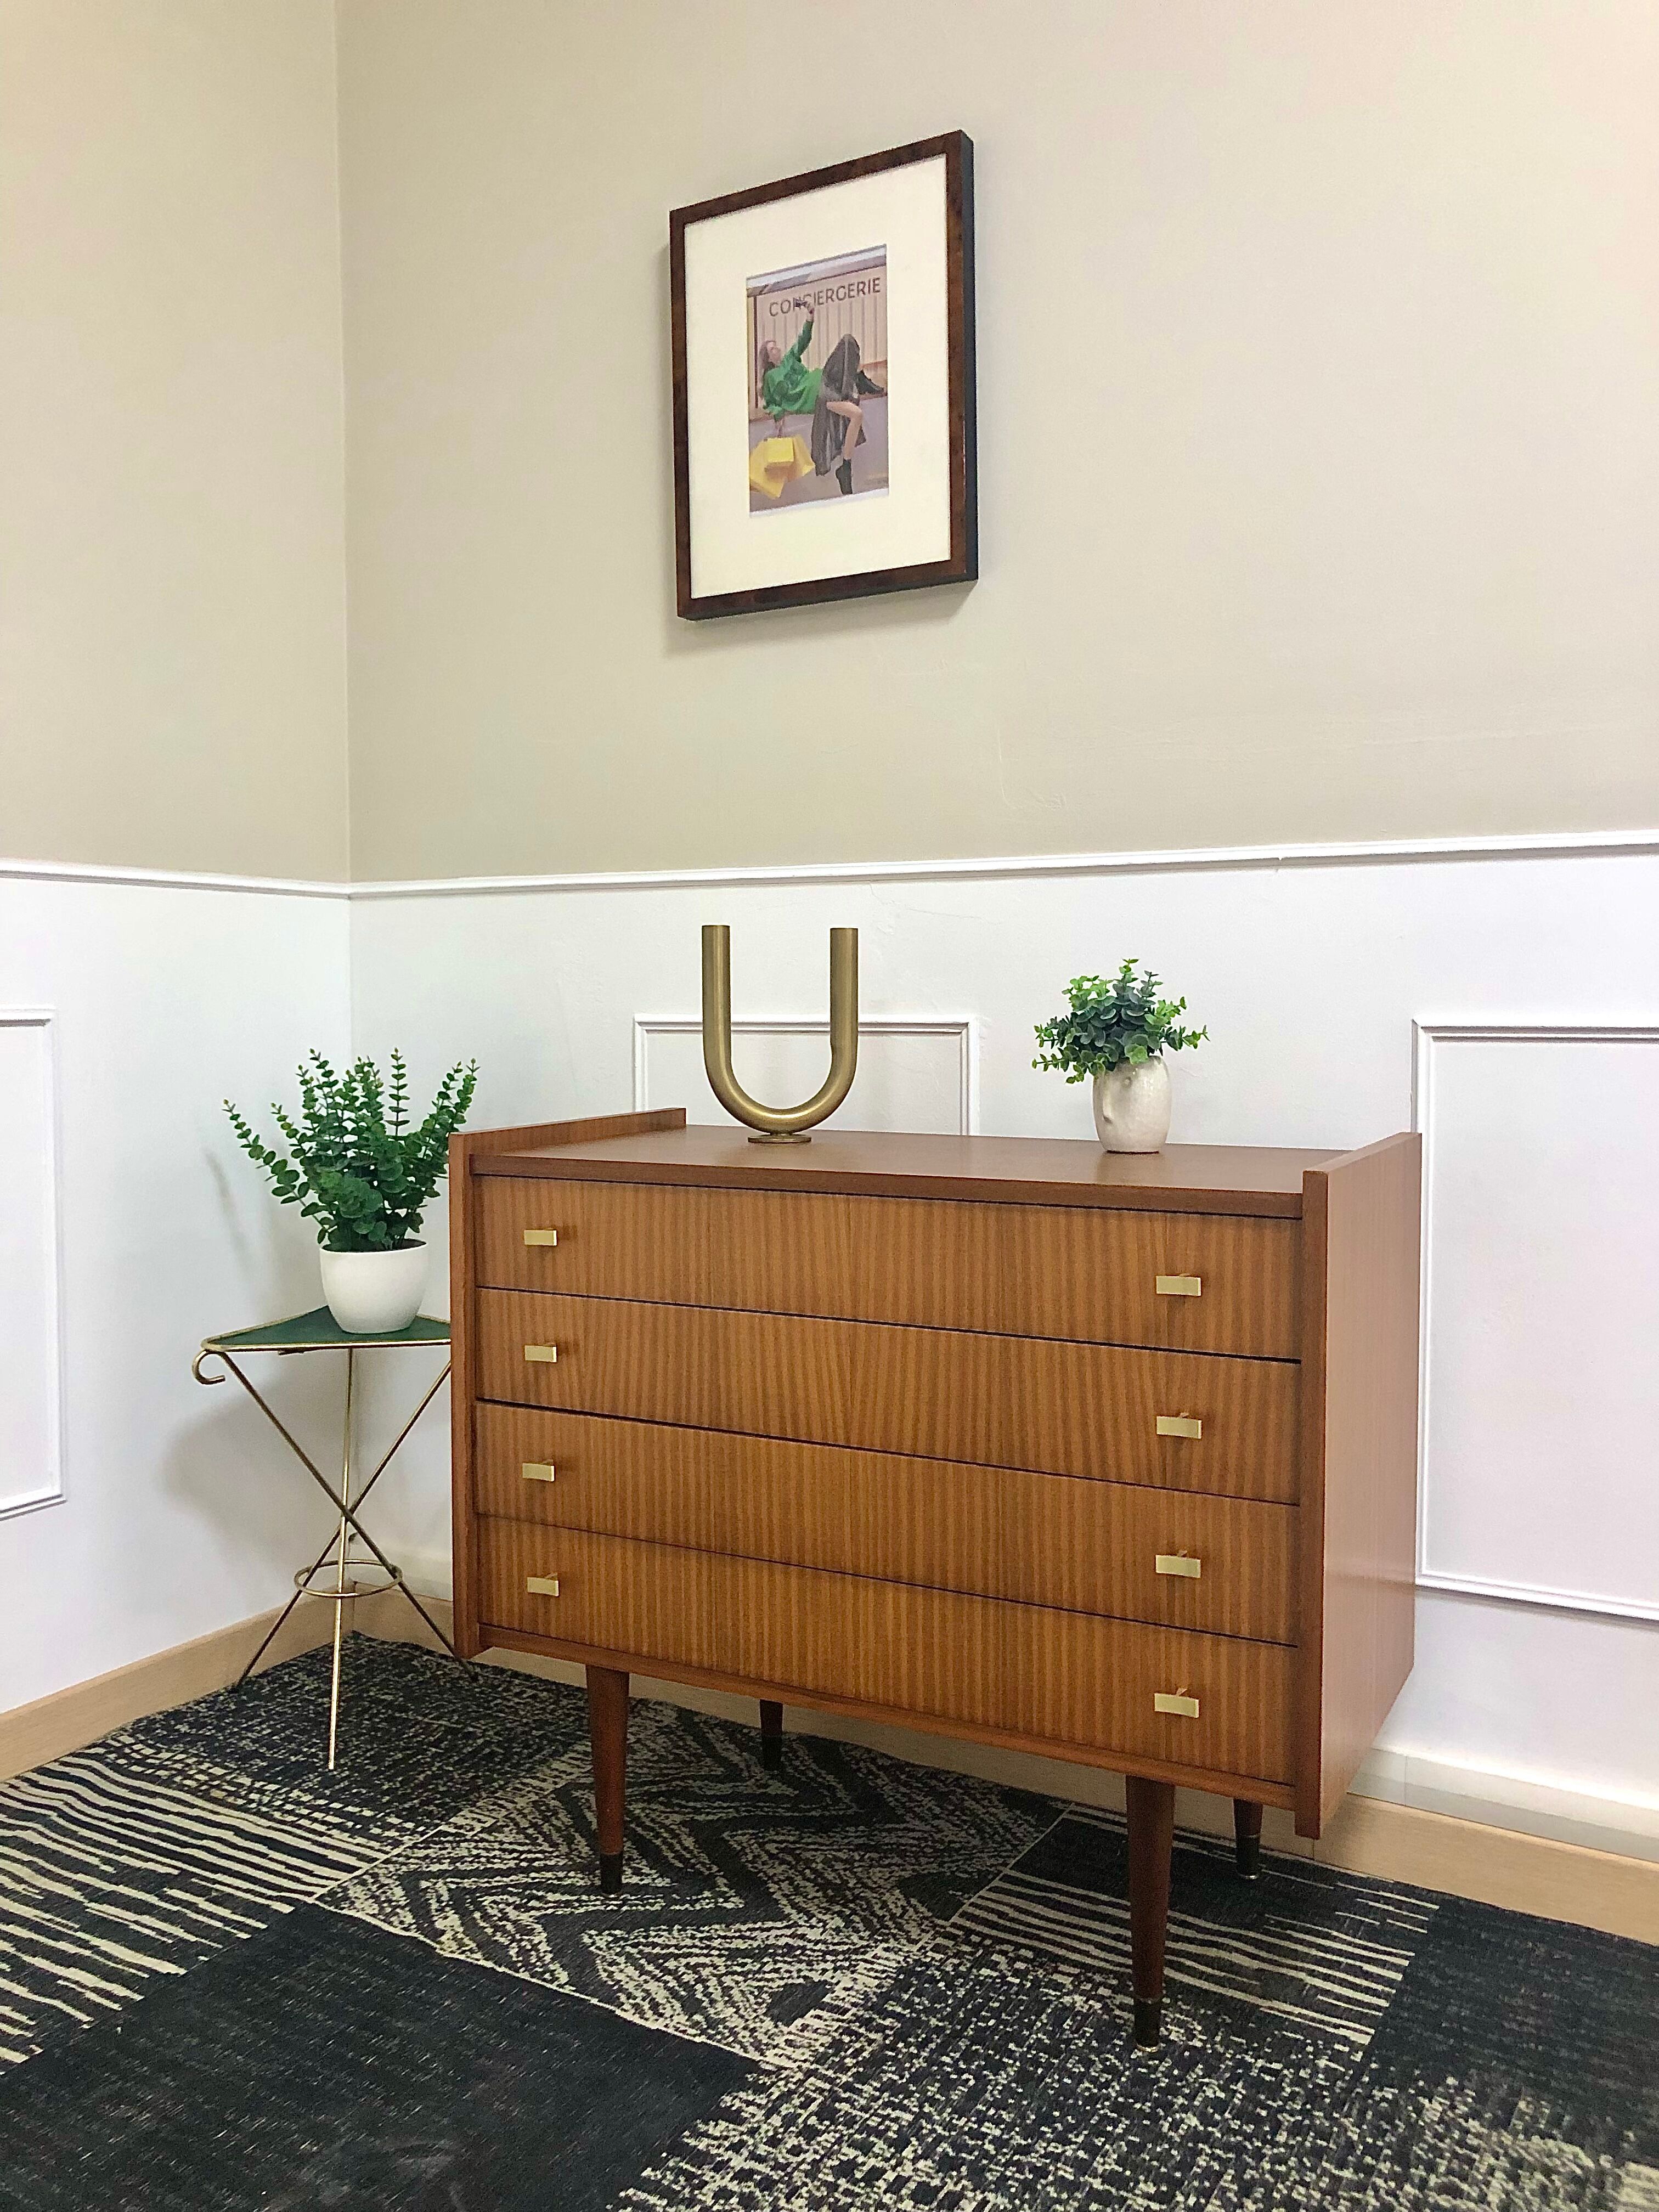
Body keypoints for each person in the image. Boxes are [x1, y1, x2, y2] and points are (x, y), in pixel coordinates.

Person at [810, 331, 884, 494]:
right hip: (828, 400)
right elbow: (829, 389)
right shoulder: (837, 365)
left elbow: (865, 384)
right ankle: (846, 467)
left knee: (856, 415)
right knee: (857, 414)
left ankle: (846, 467)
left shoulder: (846, 365)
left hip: (832, 399)